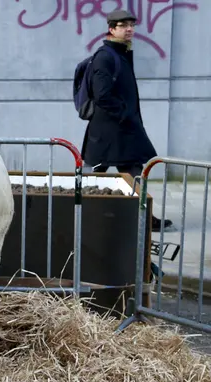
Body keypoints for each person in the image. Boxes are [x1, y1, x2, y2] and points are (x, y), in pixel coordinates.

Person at [80, 9, 173, 231]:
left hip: (117, 130)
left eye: (131, 25)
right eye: (123, 25)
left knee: (131, 172)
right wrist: (125, 115)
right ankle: (85, 214)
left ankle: (143, 217)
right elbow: (102, 94)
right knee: (103, 175)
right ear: (112, 29)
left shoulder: (120, 53)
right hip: (110, 130)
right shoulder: (106, 56)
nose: (129, 29)